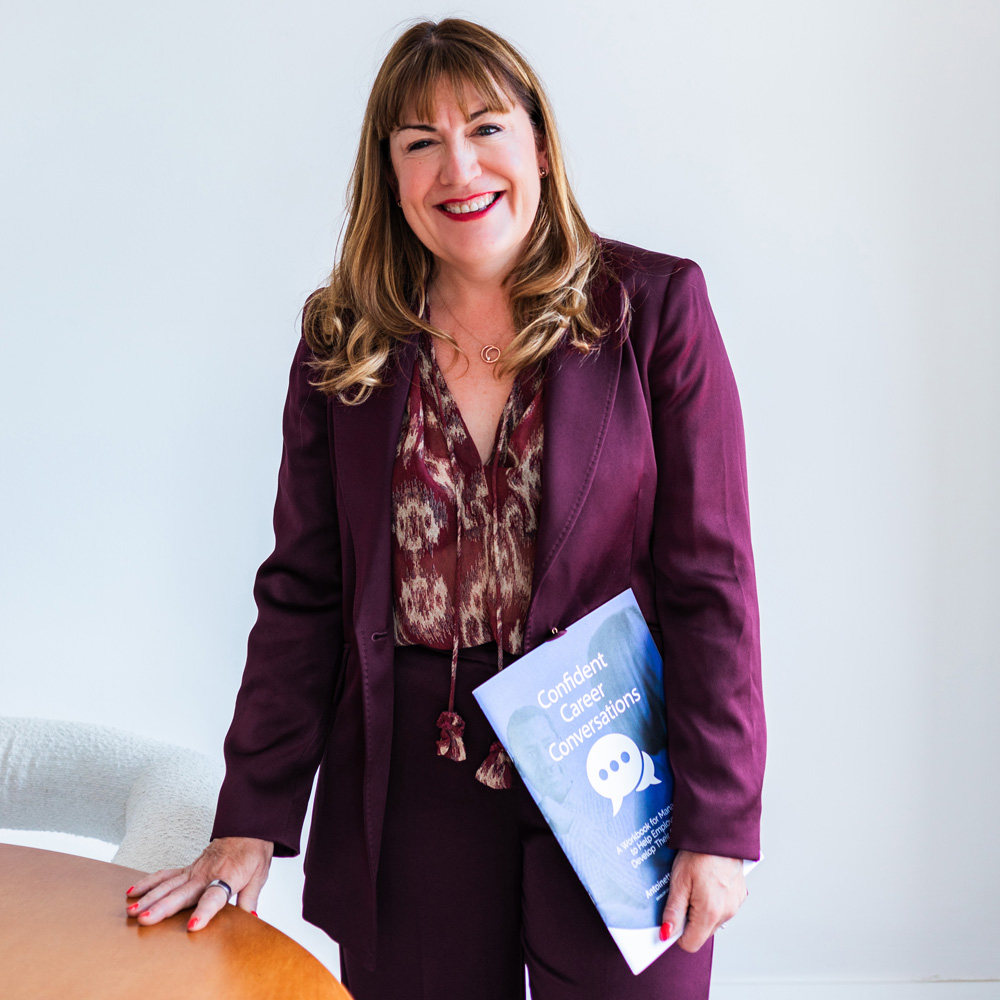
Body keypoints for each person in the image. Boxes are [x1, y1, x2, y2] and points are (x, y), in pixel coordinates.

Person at [125, 18, 765, 1000]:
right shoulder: (345, 343)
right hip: (411, 785)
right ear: (390, 175)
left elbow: (708, 583)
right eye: (419, 142)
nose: (457, 166)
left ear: (538, 147)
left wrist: (718, 822)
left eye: (484, 128)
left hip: (610, 763)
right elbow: (304, 589)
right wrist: (249, 819)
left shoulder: (653, 311)